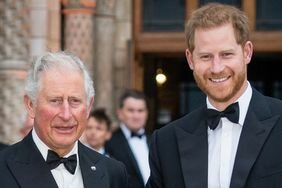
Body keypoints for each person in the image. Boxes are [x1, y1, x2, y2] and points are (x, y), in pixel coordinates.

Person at [146, 3, 282, 188]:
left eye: (226, 54)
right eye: (205, 56)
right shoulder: (166, 142)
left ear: (247, 52)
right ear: (190, 59)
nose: (217, 68)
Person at [0, 51, 127, 188]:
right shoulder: (3, 168)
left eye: (75, 101)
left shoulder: (113, 173)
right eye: (55, 101)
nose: (66, 115)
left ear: (89, 106)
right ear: (31, 105)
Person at [106, 89, 150, 188]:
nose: (136, 116)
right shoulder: (108, 142)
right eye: (131, 110)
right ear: (120, 113)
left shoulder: (155, 141)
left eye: (140, 110)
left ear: (147, 113)